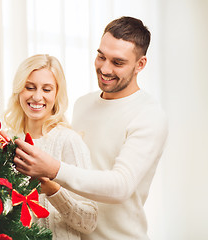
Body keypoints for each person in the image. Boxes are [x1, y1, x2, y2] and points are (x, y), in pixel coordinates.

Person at [13, 16, 168, 240]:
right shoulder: (83, 104)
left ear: (140, 64)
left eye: (117, 62)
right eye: (101, 56)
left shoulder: (149, 116)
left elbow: (121, 186)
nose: (104, 68)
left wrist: (53, 169)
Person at [3, 54, 98, 239]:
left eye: (47, 89)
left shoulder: (69, 141)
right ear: (19, 90)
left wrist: (53, 191)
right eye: (29, 87)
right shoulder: (8, 141)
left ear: (57, 94)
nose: (37, 96)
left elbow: (89, 222)